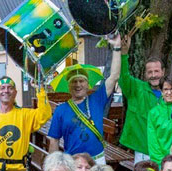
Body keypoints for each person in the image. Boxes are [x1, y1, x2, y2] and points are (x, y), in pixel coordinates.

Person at [47, 35, 122, 164]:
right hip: (73, 162)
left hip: (97, 160)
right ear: (68, 86)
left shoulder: (97, 99)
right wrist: (52, 167)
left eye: (81, 81)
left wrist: (116, 47)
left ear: (87, 84)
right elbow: (54, 141)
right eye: (74, 82)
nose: (78, 85)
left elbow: (114, 76)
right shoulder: (61, 110)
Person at [117, 49, 164, 166]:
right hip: (143, 150)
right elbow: (123, 76)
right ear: (145, 74)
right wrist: (123, 54)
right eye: (150, 72)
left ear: (163, 72)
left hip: (164, 150)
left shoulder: (171, 94)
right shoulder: (136, 88)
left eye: (156, 71)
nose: (153, 75)